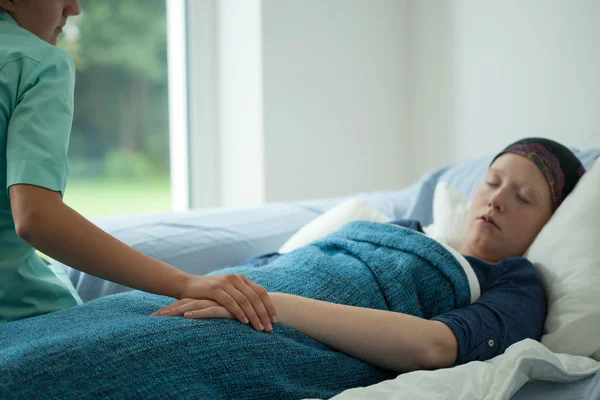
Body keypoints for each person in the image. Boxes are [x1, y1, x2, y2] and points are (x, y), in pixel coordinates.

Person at [154, 137, 586, 370]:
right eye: (492, 183)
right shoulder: (403, 231)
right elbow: (284, 264)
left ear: (551, 222)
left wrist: (270, 303)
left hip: (264, 320)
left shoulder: (515, 283)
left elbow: (437, 347)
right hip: (233, 291)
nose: (496, 201)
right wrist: (225, 284)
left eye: (525, 197)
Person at [0, 0, 276, 333]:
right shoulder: (39, 63)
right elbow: (36, 218)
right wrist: (185, 283)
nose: (73, 9)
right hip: (26, 318)